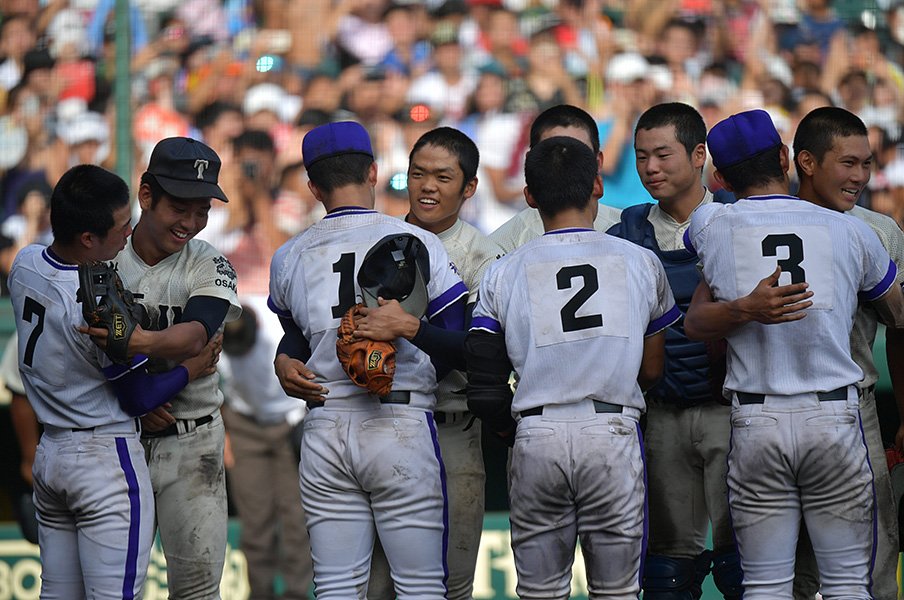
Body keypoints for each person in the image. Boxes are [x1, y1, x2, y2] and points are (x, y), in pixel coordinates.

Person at [683, 109, 904, 600]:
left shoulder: (712, 225)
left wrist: (743, 305)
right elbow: (898, 311)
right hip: (835, 417)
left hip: (757, 420)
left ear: (719, 176)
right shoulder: (854, 231)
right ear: (786, 158)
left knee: (766, 585)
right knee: (850, 583)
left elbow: (695, 314)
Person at [466, 135, 679, 598]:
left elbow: (484, 376)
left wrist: (513, 427)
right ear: (598, 186)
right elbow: (652, 370)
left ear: (529, 196)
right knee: (618, 591)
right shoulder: (641, 261)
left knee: (541, 592)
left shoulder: (503, 270)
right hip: (612, 430)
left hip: (536, 432)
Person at [269, 121, 468, 598]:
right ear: (374, 172)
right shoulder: (416, 241)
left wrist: (282, 360)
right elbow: (460, 344)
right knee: (420, 587)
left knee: (337, 587)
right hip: (399, 419)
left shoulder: (289, 254)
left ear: (313, 186)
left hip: (324, 424)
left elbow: (296, 338)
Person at [7, 164, 219, 599]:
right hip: (105, 461)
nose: (129, 234)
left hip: (51, 454)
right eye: (122, 227)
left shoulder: (25, 262)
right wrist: (189, 370)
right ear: (88, 237)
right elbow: (140, 398)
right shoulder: (97, 307)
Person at [84, 137, 243, 599]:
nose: (191, 222)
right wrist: (139, 395)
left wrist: (133, 343)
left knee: (196, 590)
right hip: (114, 438)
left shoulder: (209, 261)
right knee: (110, 590)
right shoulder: (103, 258)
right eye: (180, 207)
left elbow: (196, 336)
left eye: (202, 210)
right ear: (147, 195)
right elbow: (79, 357)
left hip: (193, 442)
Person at [346, 126, 500, 600]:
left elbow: (483, 355)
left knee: (451, 585)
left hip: (453, 427)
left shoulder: (484, 256)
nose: (428, 186)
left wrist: (412, 328)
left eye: (443, 177)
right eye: (417, 174)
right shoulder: (374, 239)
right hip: (379, 420)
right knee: (374, 586)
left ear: (469, 187)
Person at [606, 102, 742, 600]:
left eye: (662, 155)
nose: (649, 168)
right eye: (641, 157)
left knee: (744, 566)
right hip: (661, 413)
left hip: (735, 412)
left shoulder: (741, 218)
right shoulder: (626, 235)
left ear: (699, 153)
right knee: (667, 570)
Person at [790, 106, 903, 600]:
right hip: (767, 407)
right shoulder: (750, 221)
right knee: (786, 573)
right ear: (807, 162)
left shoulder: (881, 231)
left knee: (875, 564)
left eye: (867, 163)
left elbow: (901, 329)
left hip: (855, 407)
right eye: (848, 163)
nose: (860, 176)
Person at [488, 104, 622, 254]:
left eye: (578, 153)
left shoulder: (627, 231)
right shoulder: (502, 246)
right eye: (553, 151)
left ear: (598, 162)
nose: (565, 159)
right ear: (531, 162)